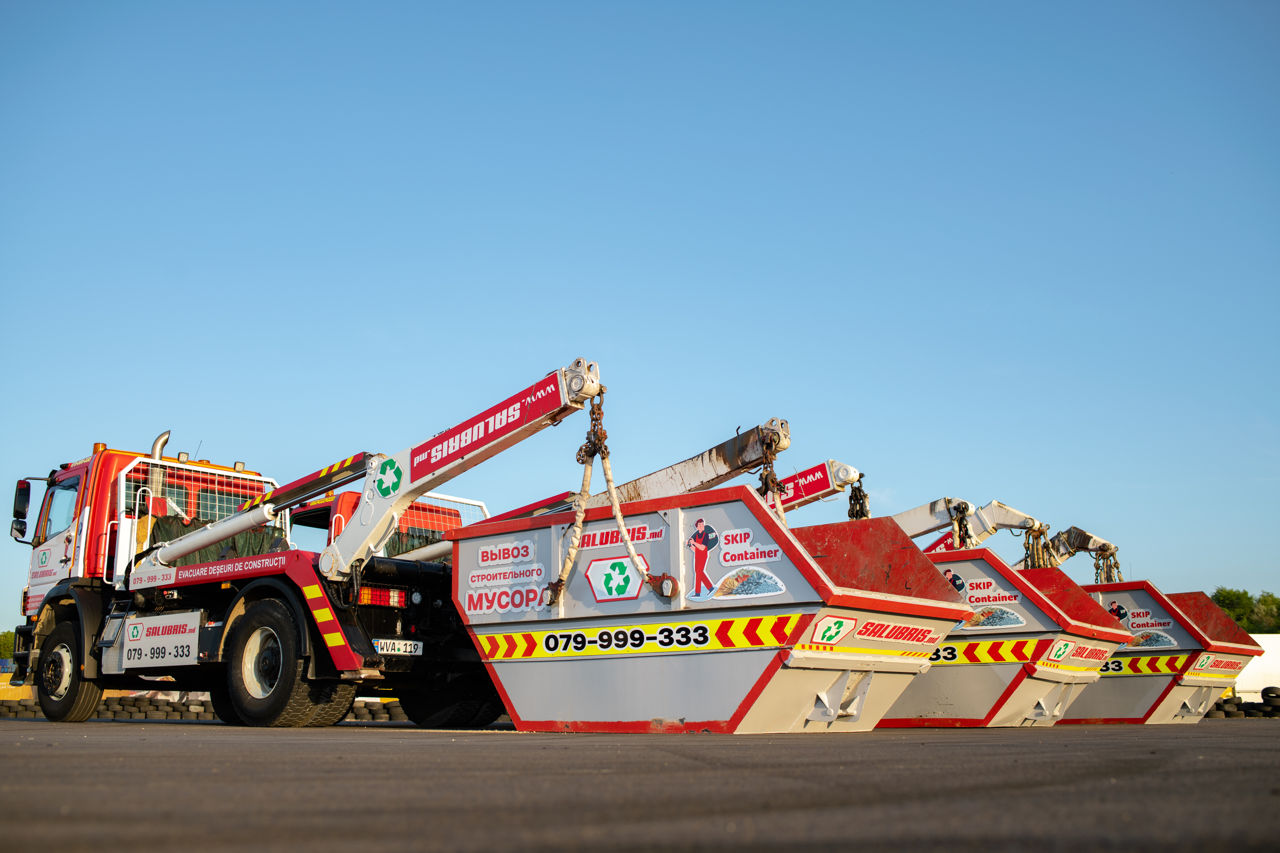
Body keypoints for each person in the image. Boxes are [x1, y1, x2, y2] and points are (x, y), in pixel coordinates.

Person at [686, 518, 719, 597]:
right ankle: (710, 588)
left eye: (702, 525)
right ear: (697, 527)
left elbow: (702, 547)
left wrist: (693, 542)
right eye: (700, 525)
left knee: (699, 573)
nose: (701, 526)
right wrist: (690, 545)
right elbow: (696, 549)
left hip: (703, 555)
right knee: (698, 573)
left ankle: (698, 593)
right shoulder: (697, 536)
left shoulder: (705, 535)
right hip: (697, 555)